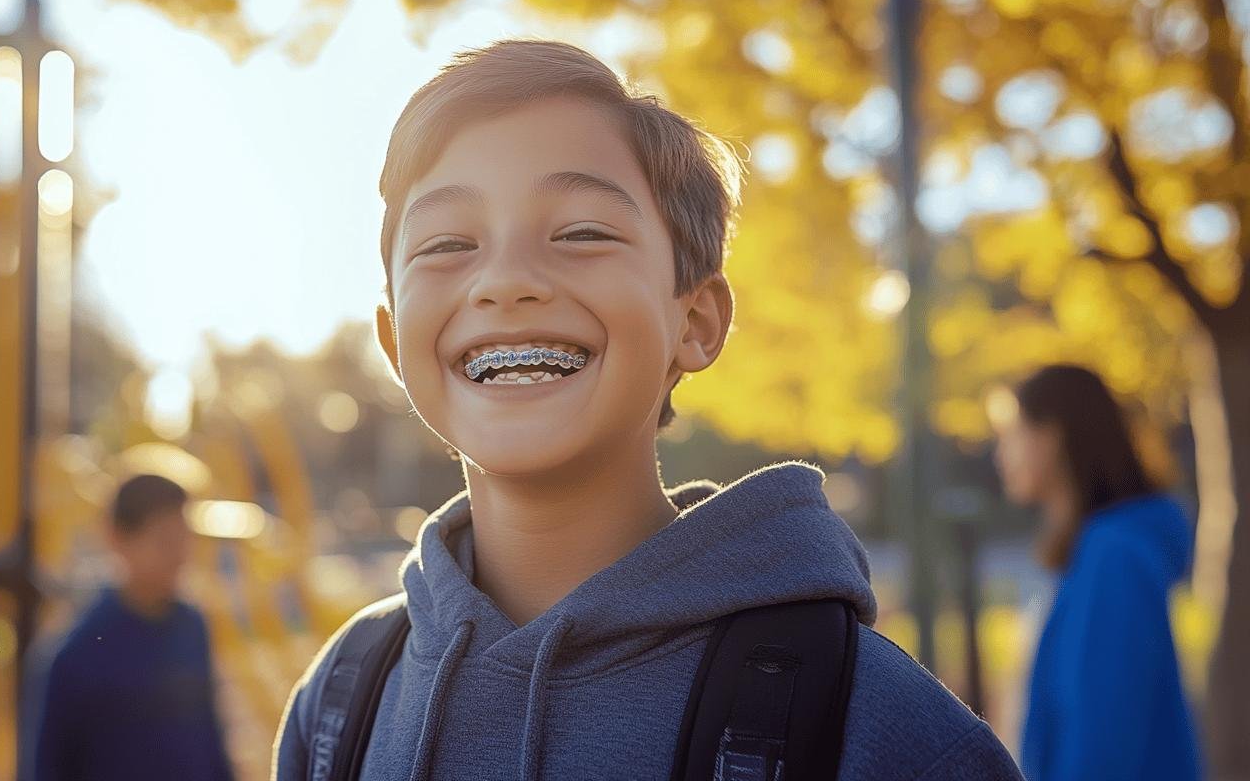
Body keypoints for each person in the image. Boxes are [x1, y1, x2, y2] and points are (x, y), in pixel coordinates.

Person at [274, 39, 1021, 780]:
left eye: (581, 233)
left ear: (695, 322)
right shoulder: (342, 701)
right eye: (446, 243)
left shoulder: (885, 734)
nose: (504, 279)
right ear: (392, 337)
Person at [992, 365, 1201, 781]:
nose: (1001, 455)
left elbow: (1104, 741)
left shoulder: (1114, 557)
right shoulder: (1089, 554)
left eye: (1010, 434)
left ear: (1052, 436)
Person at [22, 473, 234, 781]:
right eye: (164, 540)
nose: (180, 554)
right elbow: (47, 768)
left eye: (185, 538)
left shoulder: (192, 625)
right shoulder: (74, 655)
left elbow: (209, 742)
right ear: (117, 539)